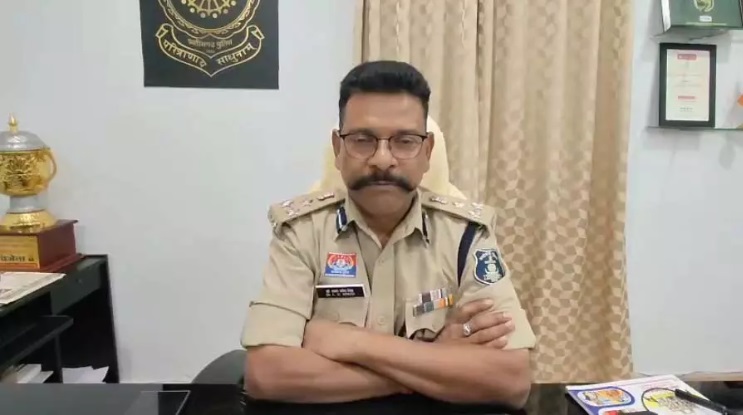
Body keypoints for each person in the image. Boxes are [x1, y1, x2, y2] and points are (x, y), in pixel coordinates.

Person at [240, 60, 537, 406]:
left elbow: (511, 380)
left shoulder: (466, 236)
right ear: (338, 149)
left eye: (405, 141)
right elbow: (268, 374)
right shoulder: (302, 233)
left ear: (427, 152)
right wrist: (434, 360)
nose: (382, 160)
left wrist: (354, 344)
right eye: (362, 140)